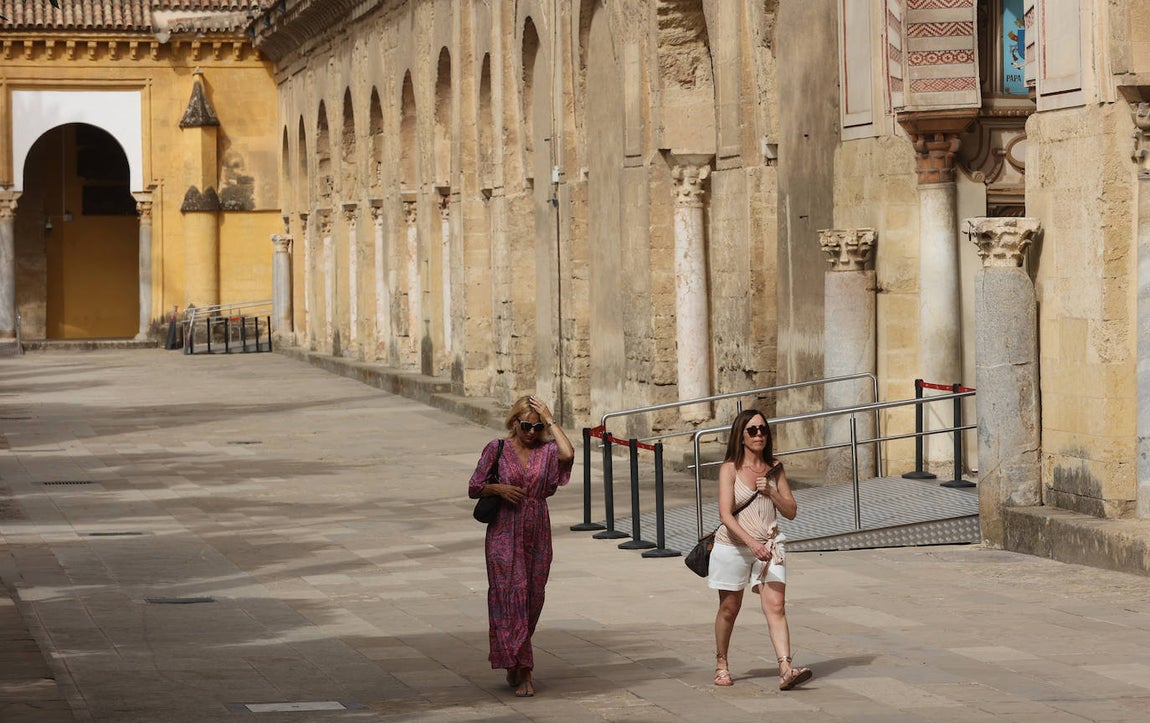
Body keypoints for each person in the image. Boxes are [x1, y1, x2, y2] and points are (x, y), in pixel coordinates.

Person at [468, 394, 574, 698]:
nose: (531, 432)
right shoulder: (497, 449)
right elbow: (474, 487)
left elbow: (568, 453)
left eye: (537, 427)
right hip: (503, 530)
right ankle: (525, 668)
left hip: (537, 529)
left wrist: (550, 418)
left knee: (532, 598)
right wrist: (499, 488)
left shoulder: (547, 450)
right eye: (526, 426)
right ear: (514, 422)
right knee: (509, 596)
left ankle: (514, 658)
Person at [708, 408, 812, 691]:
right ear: (741, 436)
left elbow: (791, 511)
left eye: (763, 429)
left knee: (776, 606)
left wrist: (772, 491)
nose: (759, 435)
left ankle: (786, 669)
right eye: (752, 430)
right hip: (734, 546)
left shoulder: (775, 468)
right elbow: (725, 515)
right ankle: (721, 663)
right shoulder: (729, 469)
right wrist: (751, 544)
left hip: (770, 545)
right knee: (730, 608)